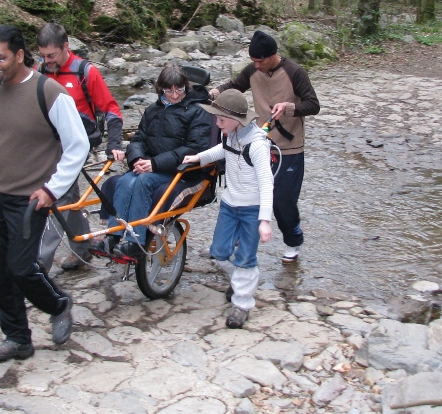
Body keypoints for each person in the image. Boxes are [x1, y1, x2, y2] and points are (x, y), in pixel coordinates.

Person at [0, 25, 90, 362]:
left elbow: (78, 146)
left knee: (21, 267)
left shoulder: (50, 93)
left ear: (18, 55)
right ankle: (17, 338)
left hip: (31, 200)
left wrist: (52, 189)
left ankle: (58, 304)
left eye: (0, 58)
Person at [209, 30, 320, 263]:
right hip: (258, 144)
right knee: (248, 192)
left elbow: (313, 104)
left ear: (273, 55)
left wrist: (288, 106)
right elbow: (235, 86)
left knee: (282, 200)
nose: (256, 65)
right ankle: (239, 236)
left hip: (289, 147)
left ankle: (293, 240)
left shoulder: (295, 72)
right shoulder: (253, 70)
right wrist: (216, 93)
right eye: (253, 61)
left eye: (260, 61)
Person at [95, 64, 211, 258]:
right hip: (150, 165)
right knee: (125, 180)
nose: (174, 95)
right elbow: (139, 138)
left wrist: (155, 164)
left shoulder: (197, 111)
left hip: (177, 170)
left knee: (142, 182)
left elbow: (194, 147)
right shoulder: (152, 110)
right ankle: (113, 237)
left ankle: (136, 242)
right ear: (161, 89)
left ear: (186, 87)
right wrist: (137, 159)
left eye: (179, 90)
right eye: (169, 90)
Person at [36, 22, 125, 271]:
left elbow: (111, 109)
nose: (47, 61)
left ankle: (38, 265)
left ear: (66, 47)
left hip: (78, 144)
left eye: (51, 55)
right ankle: (82, 246)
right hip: (46, 144)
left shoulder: (86, 72)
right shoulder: (40, 70)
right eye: (42, 55)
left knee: (59, 197)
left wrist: (114, 142)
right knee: (70, 196)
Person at [183, 89, 273, 329]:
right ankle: (241, 280)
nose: (216, 123)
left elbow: (267, 184)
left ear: (236, 120)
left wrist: (265, 220)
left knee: (245, 257)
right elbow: (222, 150)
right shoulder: (230, 134)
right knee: (219, 251)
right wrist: (198, 158)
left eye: (220, 119)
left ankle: (242, 304)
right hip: (229, 204)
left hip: (252, 209)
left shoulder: (257, 146)